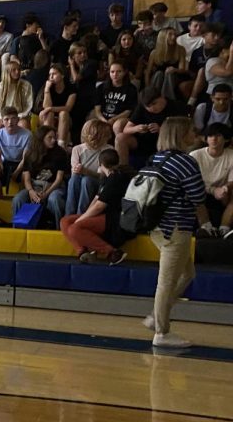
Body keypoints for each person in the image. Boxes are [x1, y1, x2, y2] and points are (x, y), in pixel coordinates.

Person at [143, 117, 207, 349]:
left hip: (156, 227)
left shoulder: (156, 157)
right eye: (191, 130)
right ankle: (161, 331)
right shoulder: (185, 162)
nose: (195, 134)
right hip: (175, 227)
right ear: (181, 134)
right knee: (167, 282)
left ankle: (157, 316)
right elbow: (198, 196)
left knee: (187, 273)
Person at [60, 148, 133, 265]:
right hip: (103, 215)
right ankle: (83, 251)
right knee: (65, 221)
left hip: (115, 219)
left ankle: (113, 252)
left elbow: (100, 206)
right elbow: (96, 200)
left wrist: (80, 220)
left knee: (74, 228)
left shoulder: (116, 178)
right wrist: (84, 217)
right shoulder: (106, 178)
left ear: (100, 164)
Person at [11, 126, 69, 228]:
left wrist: (46, 193)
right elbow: (27, 178)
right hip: (34, 186)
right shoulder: (30, 153)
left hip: (54, 186)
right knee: (18, 199)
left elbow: (59, 179)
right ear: (41, 139)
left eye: (54, 137)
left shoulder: (60, 153)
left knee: (55, 199)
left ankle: (59, 228)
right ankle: (17, 229)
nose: (53, 140)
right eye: (49, 138)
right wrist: (31, 191)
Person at [115, 85, 182, 164]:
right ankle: (123, 170)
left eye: (154, 103)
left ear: (162, 97)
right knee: (120, 138)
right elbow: (126, 130)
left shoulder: (176, 107)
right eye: (148, 106)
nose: (152, 108)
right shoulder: (141, 107)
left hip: (165, 142)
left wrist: (161, 129)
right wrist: (137, 128)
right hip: (143, 141)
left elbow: (180, 132)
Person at [192, 123, 233, 238]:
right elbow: (193, 182)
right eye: (210, 136)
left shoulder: (231, 155)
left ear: (226, 139)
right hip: (202, 190)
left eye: (218, 135)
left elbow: (232, 180)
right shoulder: (195, 155)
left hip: (223, 192)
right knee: (193, 191)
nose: (213, 139)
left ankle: (224, 229)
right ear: (206, 139)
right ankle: (207, 228)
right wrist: (213, 190)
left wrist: (225, 189)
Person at [65, 118, 112, 217]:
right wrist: (79, 170)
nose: (109, 137)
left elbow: (105, 176)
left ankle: (80, 216)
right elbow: (75, 173)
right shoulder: (77, 149)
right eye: (105, 135)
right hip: (80, 181)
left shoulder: (109, 150)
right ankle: (68, 216)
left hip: (98, 183)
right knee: (73, 180)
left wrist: (86, 171)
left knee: (87, 180)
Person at [0, 57, 34, 130]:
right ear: (7, 72)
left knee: (23, 125)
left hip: (20, 117)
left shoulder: (26, 85)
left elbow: (28, 105)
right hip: (1, 118)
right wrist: (5, 119)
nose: (17, 72)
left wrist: (17, 117)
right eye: (14, 70)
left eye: (19, 69)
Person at [93, 60, 138, 131]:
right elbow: (97, 109)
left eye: (119, 71)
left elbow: (128, 111)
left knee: (117, 125)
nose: (115, 74)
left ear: (125, 72)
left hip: (120, 118)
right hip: (103, 117)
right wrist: (103, 120)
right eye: (112, 72)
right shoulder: (101, 87)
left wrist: (113, 119)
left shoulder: (131, 89)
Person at [0, 106, 32, 188]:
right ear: (2, 121)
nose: (10, 122)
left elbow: (25, 158)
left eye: (13, 118)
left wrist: (16, 172)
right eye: (6, 119)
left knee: (26, 172)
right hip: (6, 162)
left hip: (21, 163)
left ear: (17, 120)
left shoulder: (27, 134)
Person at [39, 63, 77, 146]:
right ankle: (47, 143)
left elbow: (68, 108)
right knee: (49, 114)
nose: (51, 77)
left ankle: (61, 145)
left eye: (54, 74)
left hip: (66, 117)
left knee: (63, 113)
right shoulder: (48, 87)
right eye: (50, 74)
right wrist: (47, 90)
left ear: (62, 75)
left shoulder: (71, 88)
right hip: (49, 116)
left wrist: (50, 109)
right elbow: (46, 106)